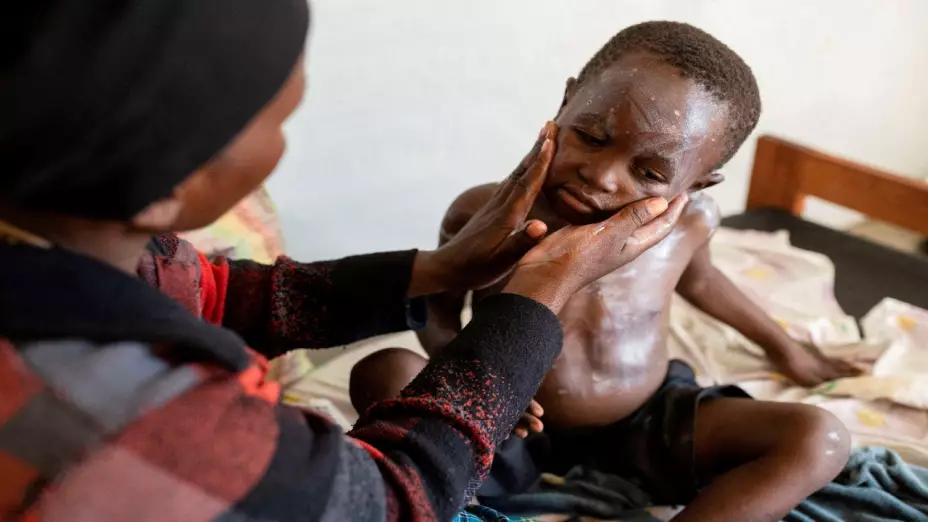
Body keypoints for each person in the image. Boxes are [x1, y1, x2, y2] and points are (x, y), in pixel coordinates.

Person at [0, 2, 688, 521]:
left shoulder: (61, 236)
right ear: (165, 186)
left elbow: (209, 294)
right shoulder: (146, 415)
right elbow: (393, 500)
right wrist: (534, 299)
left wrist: (441, 268)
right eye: (280, 120)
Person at [350, 21, 858, 521]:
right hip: (506, 420)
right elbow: (437, 312)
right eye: (592, 136)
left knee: (821, 438)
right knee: (384, 371)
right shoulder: (489, 213)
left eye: (651, 173)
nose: (602, 175)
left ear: (699, 183)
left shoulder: (689, 223)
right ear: (566, 101)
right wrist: (472, 383)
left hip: (645, 422)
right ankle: (467, 511)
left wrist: (784, 347)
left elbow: (701, 281)